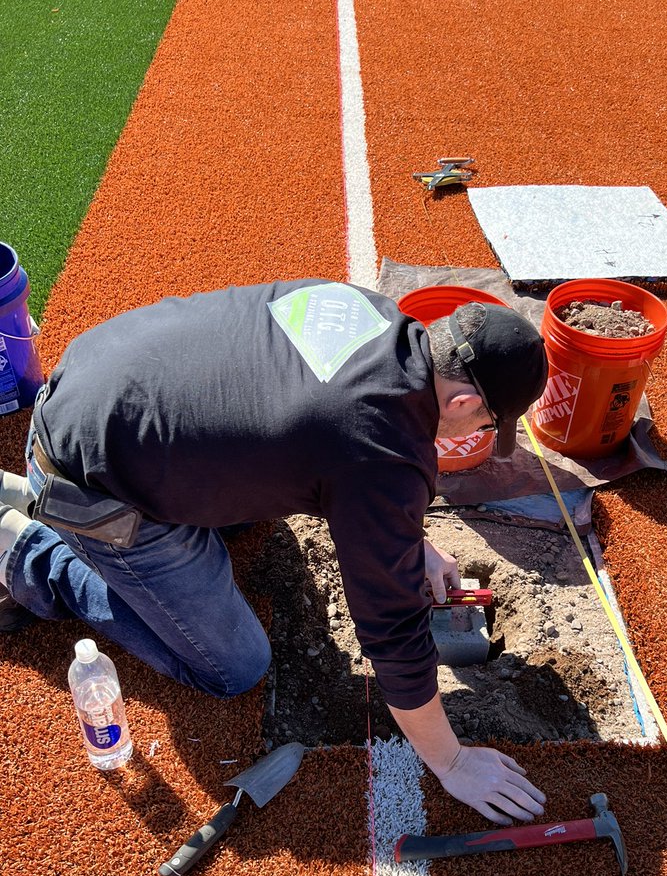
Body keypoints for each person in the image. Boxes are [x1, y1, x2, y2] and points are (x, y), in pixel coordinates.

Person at [0, 278, 549, 825]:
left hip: (86, 389)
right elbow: (394, 634)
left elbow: (332, 430)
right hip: (101, 488)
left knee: (274, 485)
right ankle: (27, 550)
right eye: (486, 422)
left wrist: (408, 538)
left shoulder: (366, 309)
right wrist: (451, 762)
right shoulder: (379, 451)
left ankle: (33, 492)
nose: (477, 432)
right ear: (464, 400)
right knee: (235, 667)